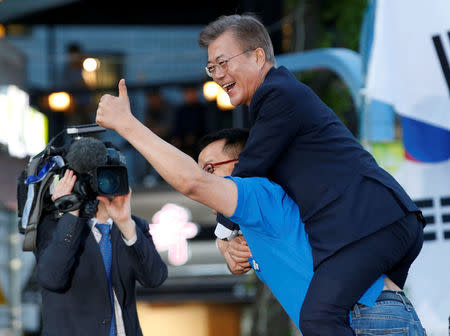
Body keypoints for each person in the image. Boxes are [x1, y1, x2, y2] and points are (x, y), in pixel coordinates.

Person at [95, 83, 426, 334]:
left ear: (242, 165)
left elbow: (192, 182)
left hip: (366, 316)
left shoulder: (260, 193)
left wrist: (127, 126)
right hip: (364, 317)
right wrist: (224, 242)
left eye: (211, 168)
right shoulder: (248, 220)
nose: (205, 180)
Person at [196, 14, 425, 335]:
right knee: (356, 305)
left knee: (319, 317)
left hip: (374, 223)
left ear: (258, 56)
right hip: (380, 227)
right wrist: (230, 240)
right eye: (212, 68)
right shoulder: (278, 100)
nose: (218, 75)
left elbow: (248, 169)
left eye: (223, 63)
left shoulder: (278, 93)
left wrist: (223, 234)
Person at [35, 168, 167, 336]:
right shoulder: (56, 226)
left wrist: (125, 223)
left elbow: (155, 278)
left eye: (110, 176)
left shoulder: (133, 226)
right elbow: (52, 279)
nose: (102, 184)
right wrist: (70, 209)